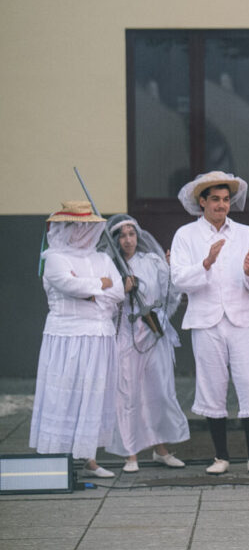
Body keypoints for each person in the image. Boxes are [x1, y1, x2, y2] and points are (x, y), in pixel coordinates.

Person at [170, 171, 249, 475]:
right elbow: (178, 279)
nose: (222, 205)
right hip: (206, 320)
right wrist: (205, 263)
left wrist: (248, 272)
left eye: (226, 200)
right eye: (215, 199)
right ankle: (220, 457)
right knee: (211, 385)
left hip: (240, 318)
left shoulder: (244, 233)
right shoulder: (186, 235)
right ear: (202, 201)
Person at [30, 201, 124, 477]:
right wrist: (99, 285)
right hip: (67, 337)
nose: (82, 232)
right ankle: (55, 458)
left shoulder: (102, 259)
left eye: (87, 226)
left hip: (99, 336)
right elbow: (68, 285)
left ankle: (89, 457)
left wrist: (94, 288)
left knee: (92, 396)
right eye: (76, 226)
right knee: (63, 394)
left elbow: (118, 290)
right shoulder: (55, 257)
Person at [101, 215, 190, 471]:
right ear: (116, 240)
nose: (128, 240)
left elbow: (170, 293)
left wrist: (172, 270)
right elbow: (104, 303)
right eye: (122, 235)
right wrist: (122, 289)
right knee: (128, 393)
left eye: (132, 234)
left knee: (158, 391)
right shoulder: (110, 266)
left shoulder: (151, 262)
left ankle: (161, 449)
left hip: (151, 335)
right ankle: (131, 453)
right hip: (125, 336)